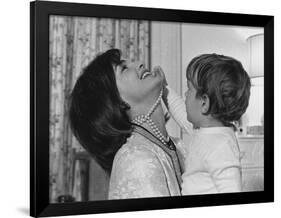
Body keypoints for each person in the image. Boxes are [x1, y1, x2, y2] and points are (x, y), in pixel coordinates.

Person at [69, 49, 185, 199]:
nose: (141, 63)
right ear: (113, 101)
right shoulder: (135, 160)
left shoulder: (179, 146)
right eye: (123, 68)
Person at [163, 54, 251, 195]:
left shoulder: (220, 145)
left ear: (204, 102)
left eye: (189, 89)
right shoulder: (208, 130)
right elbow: (181, 113)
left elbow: (232, 191)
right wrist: (164, 89)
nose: (185, 95)